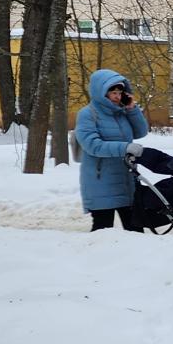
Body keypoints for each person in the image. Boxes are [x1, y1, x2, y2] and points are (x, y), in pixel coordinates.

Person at [75, 68, 150, 232]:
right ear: (101, 93)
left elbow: (141, 131)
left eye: (120, 92)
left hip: (125, 179)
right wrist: (125, 147)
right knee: (103, 231)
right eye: (113, 92)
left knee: (136, 231)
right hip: (101, 181)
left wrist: (132, 109)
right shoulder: (87, 114)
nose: (117, 96)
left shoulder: (121, 113)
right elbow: (93, 145)